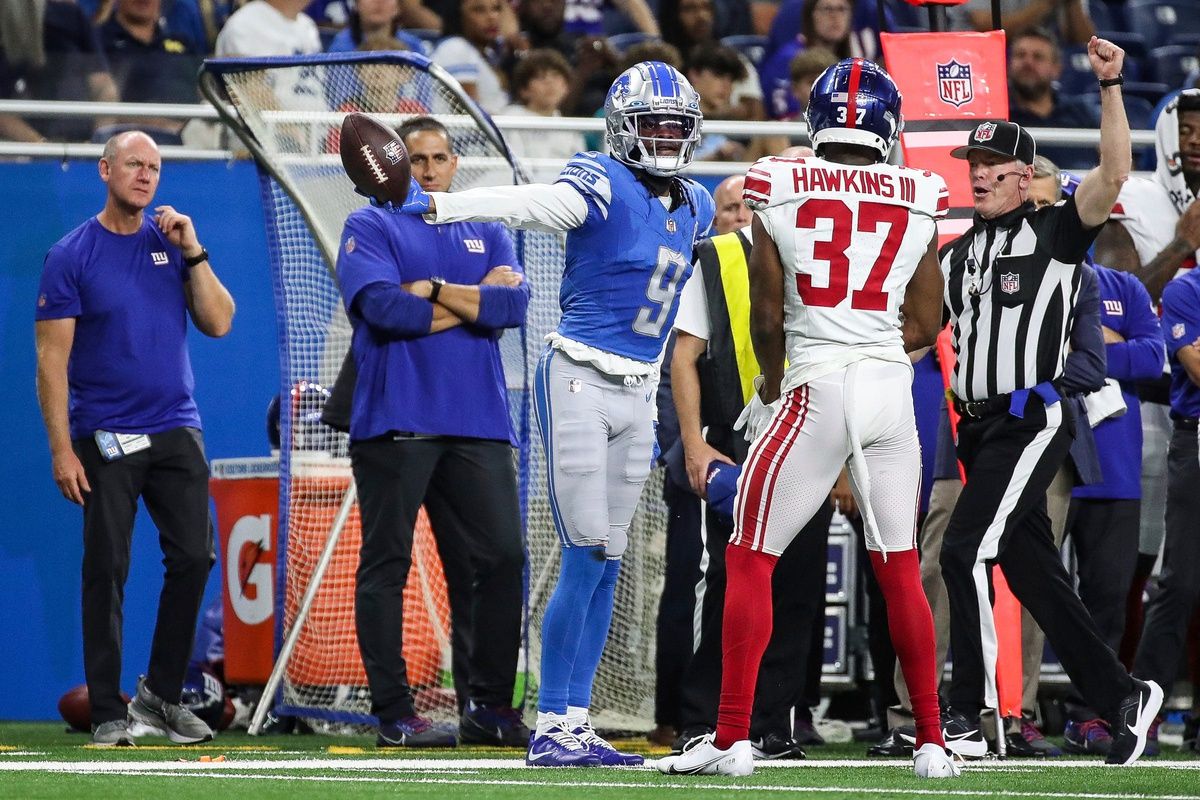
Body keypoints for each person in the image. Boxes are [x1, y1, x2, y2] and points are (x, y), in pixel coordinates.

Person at [396, 60, 715, 766]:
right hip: (579, 375)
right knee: (582, 553)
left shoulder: (698, 202)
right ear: (622, 129)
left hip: (639, 389)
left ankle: (575, 720)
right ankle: (551, 722)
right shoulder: (598, 178)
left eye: (675, 128)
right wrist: (443, 206)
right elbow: (535, 204)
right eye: (652, 126)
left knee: (608, 560)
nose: (665, 139)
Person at [657, 57, 956, 779]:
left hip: (814, 383)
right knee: (900, 568)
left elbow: (765, 311)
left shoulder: (777, 182)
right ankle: (933, 743)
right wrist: (875, 344)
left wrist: (772, 387)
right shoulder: (918, 191)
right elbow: (929, 316)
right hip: (888, 387)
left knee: (750, 557)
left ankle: (731, 740)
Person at [935, 37, 1163, 768]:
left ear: (1024, 176)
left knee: (965, 550)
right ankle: (1123, 696)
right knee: (1035, 575)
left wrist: (1110, 86)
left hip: (1031, 418)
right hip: (977, 429)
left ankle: (964, 712)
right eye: (970, 167)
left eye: (989, 169)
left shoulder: (1055, 234)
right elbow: (924, 332)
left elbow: (1115, 169)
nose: (976, 178)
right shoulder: (959, 253)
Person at [334, 116, 531, 750]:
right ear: (394, 164)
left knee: (502, 557)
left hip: (478, 421)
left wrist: (438, 293)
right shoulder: (368, 224)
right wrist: (472, 305)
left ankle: (490, 707)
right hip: (396, 418)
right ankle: (394, 713)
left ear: (454, 164)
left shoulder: (486, 227)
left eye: (439, 156)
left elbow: (513, 310)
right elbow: (385, 311)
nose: (427, 168)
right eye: (415, 158)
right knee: (387, 564)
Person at [35, 130, 235, 746]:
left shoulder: (170, 243)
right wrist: (63, 448)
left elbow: (219, 322)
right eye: (133, 165)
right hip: (105, 435)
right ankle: (106, 710)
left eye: (154, 167)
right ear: (104, 170)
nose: (145, 176)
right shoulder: (71, 254)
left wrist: (195, 250)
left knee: (196, 557)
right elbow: (51, 360)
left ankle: (161, 698)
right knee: (108, 567)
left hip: (176, 426)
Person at [664, 162, 834, 762]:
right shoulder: (716, 257)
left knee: (797, 588)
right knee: (727, 585)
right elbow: (685, 356)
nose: (749, 213)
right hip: (737, 443)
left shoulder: (826, 251)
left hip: (811, 439)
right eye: (737, 205)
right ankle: (702, 716)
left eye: (755, 203)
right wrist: (693, 444)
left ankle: (774, 721)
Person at [1026, 165, 1167, 756]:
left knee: (1110, 595)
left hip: (1112, 464)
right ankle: (1020, 708)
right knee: (1032, 596)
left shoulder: (1122, 287)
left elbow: (1153, 356)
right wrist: (1102, 348)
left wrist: (1091, 353)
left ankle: (1101, 714)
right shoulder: (1025, 284)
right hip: (1045, 457)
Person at [1134, 254, 1200, 755]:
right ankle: (1144, 714)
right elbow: (1196, 368)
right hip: (1195, 441)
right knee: (1181, 580)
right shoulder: (1186, 290)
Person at [1007, 29, 1100, 170]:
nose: (1028, 63)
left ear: (1056, 69)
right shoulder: (1001, 118)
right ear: (1008, 65)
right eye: (1020, 55)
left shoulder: (1083, 112)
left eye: (1038, 57)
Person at [500, 48, 585, 180]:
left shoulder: (571, 127)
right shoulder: (510, 120)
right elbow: (513, 171)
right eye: (540, 77)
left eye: (556, 75)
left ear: (566, 86)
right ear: (524, 90)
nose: (549, 82)